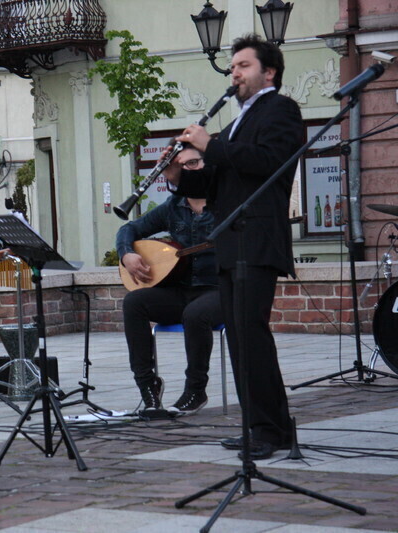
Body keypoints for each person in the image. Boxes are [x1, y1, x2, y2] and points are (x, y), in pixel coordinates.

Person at [162, 34, 302, 460]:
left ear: (269, 72)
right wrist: (179, 172)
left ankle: (269, 429)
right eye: (233, 66)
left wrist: (211, 145)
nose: (234, 72)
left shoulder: (281, 110)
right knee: (242, 338)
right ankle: (263, 426)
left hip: (257, 239)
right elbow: (219, 181)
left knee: (251, 336)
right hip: (232, 239)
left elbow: (266, 164)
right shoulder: (239, 120)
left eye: (243, 65)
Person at [117, 147, 223, 416]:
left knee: (195, 314)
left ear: (206, 164)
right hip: (180, 289)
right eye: (182, 165)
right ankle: (148, 386)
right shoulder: (172, 207)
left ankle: (196, 390)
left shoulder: (225, 203)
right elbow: (128, 228)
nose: (189, 169)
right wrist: (127, 253)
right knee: (134, 302)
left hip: (219, 289)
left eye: (195, 162)